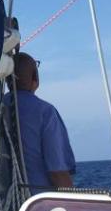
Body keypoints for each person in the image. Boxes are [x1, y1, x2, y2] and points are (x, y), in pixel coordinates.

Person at [5, 53, 77, 192]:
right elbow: (57, 172)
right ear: (35, 78)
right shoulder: (45, 112)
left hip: (7, 202)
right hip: (39, 206)